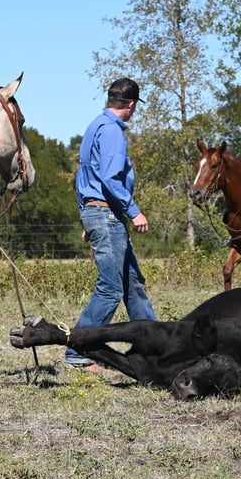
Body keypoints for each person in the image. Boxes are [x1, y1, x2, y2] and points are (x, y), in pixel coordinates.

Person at [65, 77, 158, 370]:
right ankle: (78, 350)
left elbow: (86, 176)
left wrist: (88, 215)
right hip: (108, 214)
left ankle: (157, 344)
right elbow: (109, 176)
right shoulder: (113, 132)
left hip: (102, 213)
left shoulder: (95, 125)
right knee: (111, 288)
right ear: (130, 104)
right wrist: (133, 211)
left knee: (133, 285)